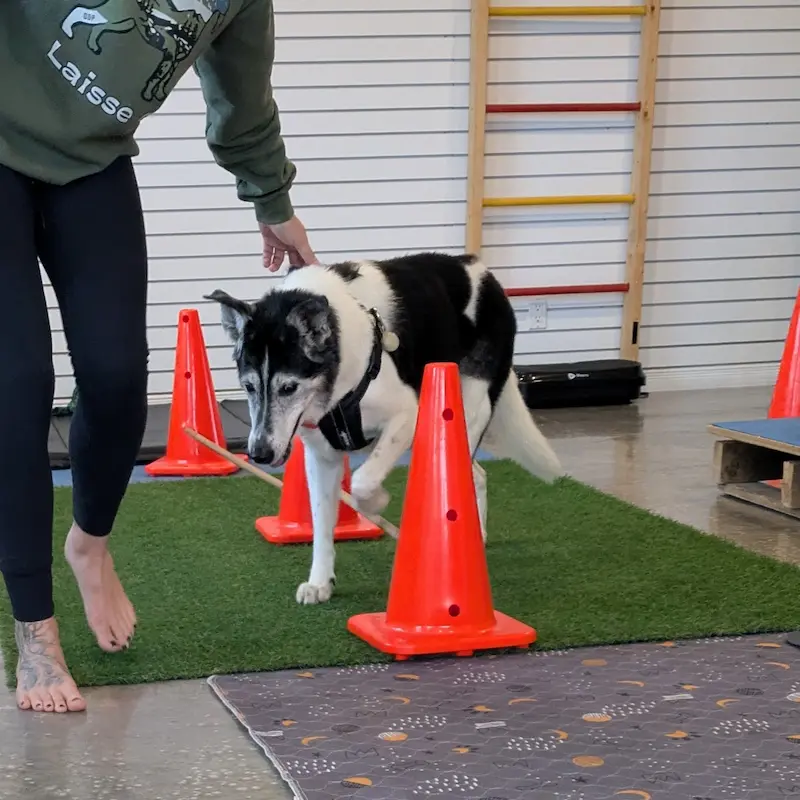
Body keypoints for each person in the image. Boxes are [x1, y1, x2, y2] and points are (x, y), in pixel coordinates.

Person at [0, 0, 316, 714]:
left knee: (116, 377)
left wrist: (271, 199)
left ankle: (91, 542)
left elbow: (241, 94)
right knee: (16, 384)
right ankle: (35, 632)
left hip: (91, 164)